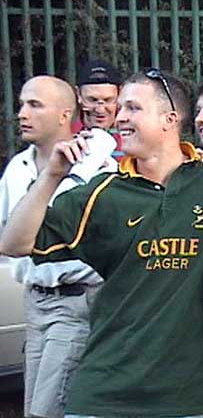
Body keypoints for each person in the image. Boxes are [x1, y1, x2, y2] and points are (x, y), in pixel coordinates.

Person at [0, 69, 203, 418]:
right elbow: (14, 243)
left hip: (181, 399)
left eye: (133, 108)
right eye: (121, 108)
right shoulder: (103, 193)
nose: (120, 118)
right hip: (103, 394)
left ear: (169, 119)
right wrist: (52, 175)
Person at [0, 75, 116, 418]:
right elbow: (7, 238)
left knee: (47, 410)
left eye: (35, 105)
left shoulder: (96, 167)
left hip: (75, 302)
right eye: (22, 104)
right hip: (33, 302)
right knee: (33, 407)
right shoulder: (17, 168)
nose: (22, 113)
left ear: (65, 114)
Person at [76, 59, 124, 160]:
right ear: (78, 94)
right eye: (92, 100)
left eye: (108, 100)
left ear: (120, 94)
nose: (100, 110)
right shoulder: (67, 136)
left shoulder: (133, 137)